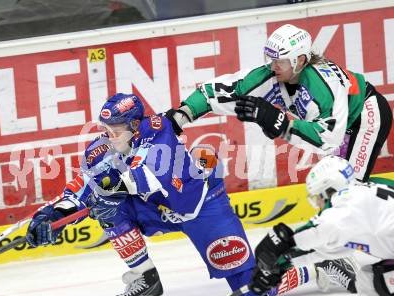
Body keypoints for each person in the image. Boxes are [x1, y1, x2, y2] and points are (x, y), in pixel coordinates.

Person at [24, 93, 351, 296]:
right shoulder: (103, 148)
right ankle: (147, 284)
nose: (107, 136)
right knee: (110, 208)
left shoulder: (159, 132)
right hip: (158, 210)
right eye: (104, 129)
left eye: (115, 129)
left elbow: (143, 176)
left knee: (252, 291)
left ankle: (318, 270)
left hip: (201, 207)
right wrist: (54, 214)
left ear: (135, 125)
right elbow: (82, 187)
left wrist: (104, 187)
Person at [166, 23, 392, 182]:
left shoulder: (323, 86)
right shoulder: (271, 75)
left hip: (366, 114)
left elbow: (329, 139)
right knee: (334, 183)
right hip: (340, 124)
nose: (273, 66)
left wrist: (281, 124)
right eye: (271, 59)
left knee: (348, 185)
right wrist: (182, 115)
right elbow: (214, 92)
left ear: (300, 60)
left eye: (280, 61)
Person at [250, 155, 394, 296]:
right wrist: (283, 264)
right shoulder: (368, 194)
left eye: (317, 197)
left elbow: (318, 230)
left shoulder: (345, 206)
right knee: (375, 277)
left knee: (372, 283)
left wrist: (284, 244)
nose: (317, 204)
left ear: (328, 189)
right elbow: (326, 250)